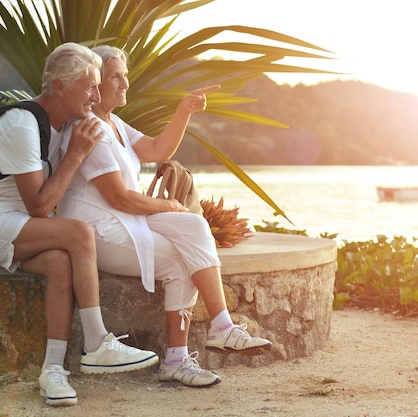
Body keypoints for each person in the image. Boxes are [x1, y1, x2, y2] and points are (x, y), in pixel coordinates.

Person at [57, 45, 272, 388]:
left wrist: (184, 110)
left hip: (125, 218)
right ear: (95, 85)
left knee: (194, 224)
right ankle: (178, 357)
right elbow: (118, 197)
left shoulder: (113, 123)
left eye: (125, 76)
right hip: (98, 227)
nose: (125, 83)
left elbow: (157, 150)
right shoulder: (90, 129)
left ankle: (221, 326)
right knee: (180, 257)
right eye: (116, 76)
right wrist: (168, 205)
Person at [0, 42, 159, 407]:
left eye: (99, 86)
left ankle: (52, 371)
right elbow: (39, 205)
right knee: (79, 233)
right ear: (60, 87)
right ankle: (97, 343)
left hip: (16, 224)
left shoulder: (61, 125)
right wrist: (76, 156)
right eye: (90, 87)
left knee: (60, 262)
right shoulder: (21, 123)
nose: (97, 96)